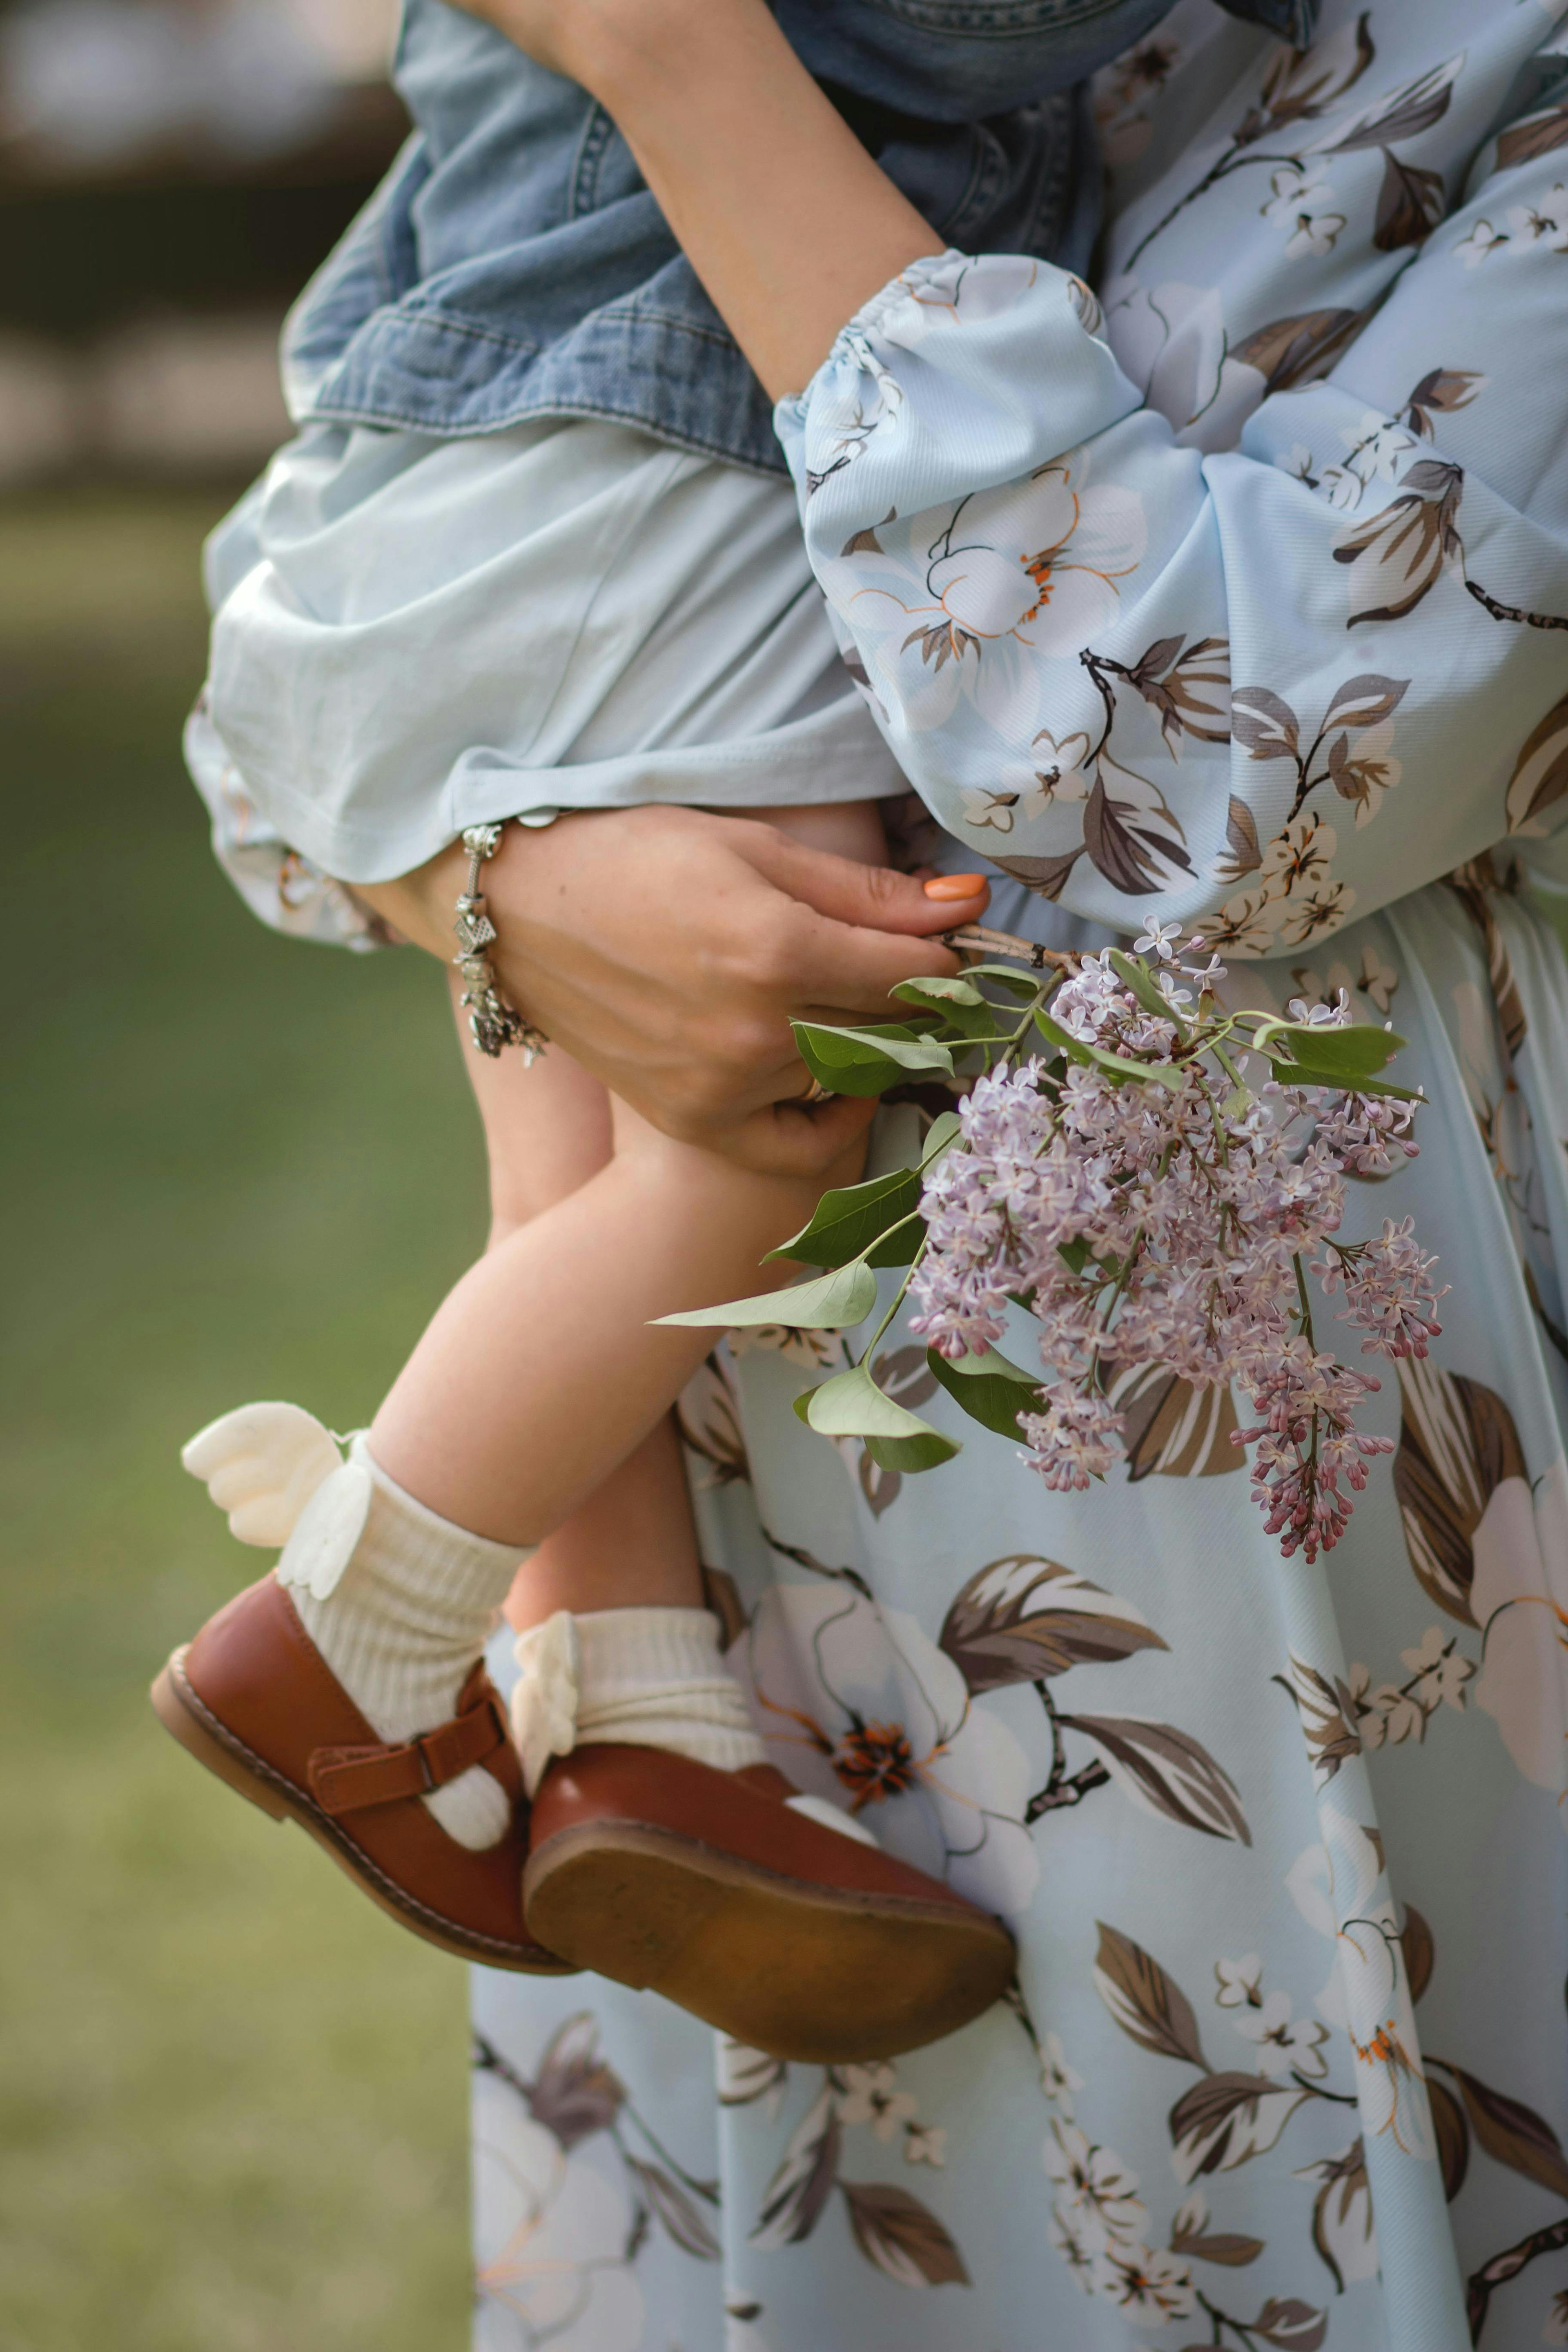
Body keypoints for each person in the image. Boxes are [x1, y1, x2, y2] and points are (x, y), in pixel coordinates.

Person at [433, 2, 1568, 2348]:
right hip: (792, 1636)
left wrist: (679, 56)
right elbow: (360, 539)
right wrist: (493, 879)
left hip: (1388, 1600)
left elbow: (1230, 753)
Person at [158, 0, 1265, 2057]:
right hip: (642, 465)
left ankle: (637, 1720)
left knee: (578, 1152)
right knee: (762, 1124)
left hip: (489, 466)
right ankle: (355, 1621)